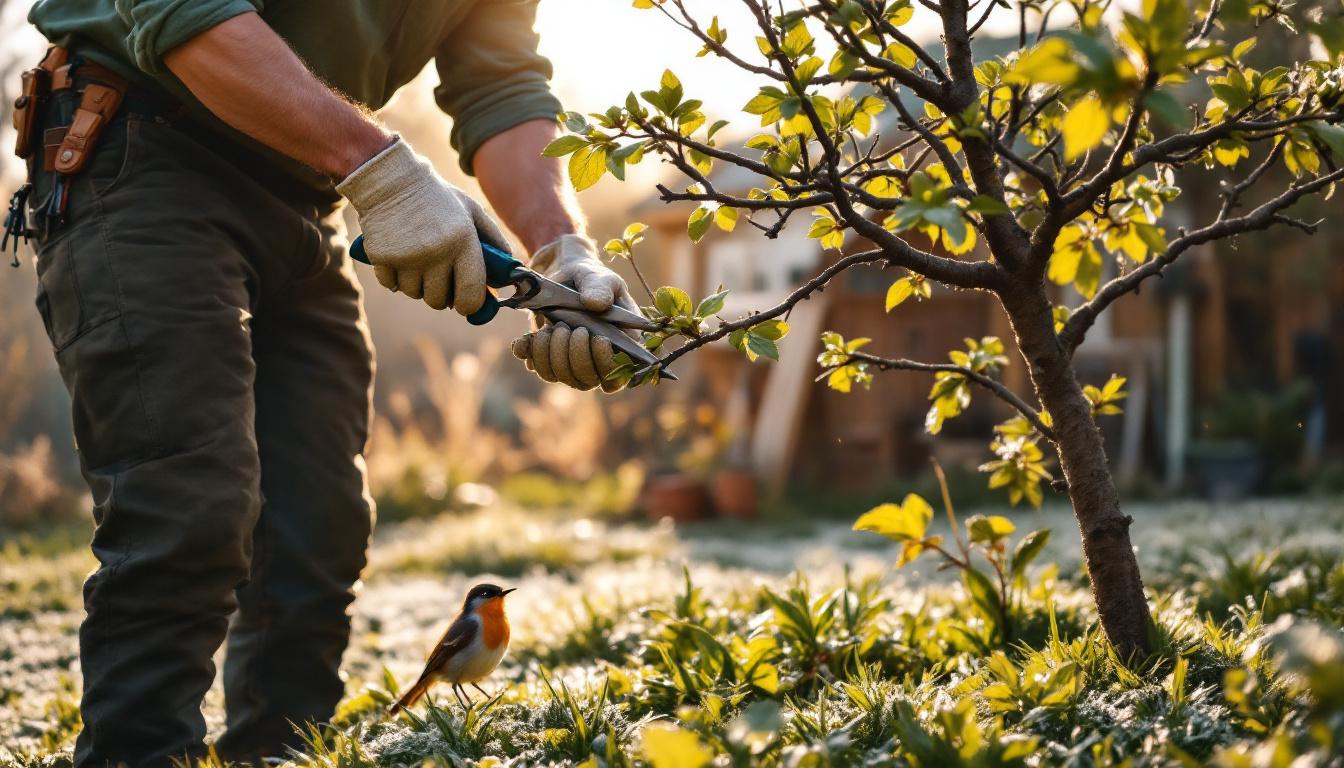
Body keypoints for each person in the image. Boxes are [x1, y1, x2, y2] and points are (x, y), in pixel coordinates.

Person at [15, 1, 634, 765]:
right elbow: (183, 11)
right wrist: (384, 170)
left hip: (309, 200)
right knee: (186, 511)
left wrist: (560, 248)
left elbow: (502, 91)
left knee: (317, 535)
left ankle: (279, 755)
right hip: (145, 153)